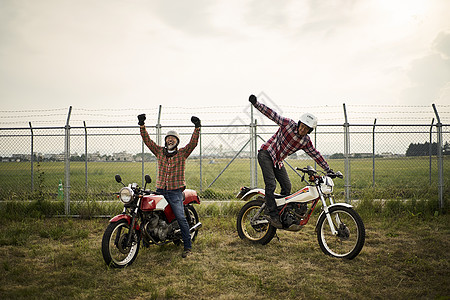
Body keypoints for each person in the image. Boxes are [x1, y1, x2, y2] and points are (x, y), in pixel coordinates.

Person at [248, 94, 333, 229]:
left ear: (309, 131)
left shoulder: (305, 141)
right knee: (271, 184)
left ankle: (281, 213)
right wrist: (256, 104)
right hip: (266, 154)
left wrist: (328, 170)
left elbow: (315, 155)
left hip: (277, 161)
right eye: (302, 126)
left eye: (306, 129)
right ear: (299, 123)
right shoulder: (287, 124)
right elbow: (272, 115)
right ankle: (272, 214)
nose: (302, 130)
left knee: (287, 186)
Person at [138, 113, 201, 258]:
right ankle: (146, 241)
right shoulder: (159, 151)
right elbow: (148, 141)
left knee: (180, 216)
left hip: (175, 192)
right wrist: (142, 125)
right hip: (160, 190)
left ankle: (187, 246)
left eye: (173, 138)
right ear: (165, 141)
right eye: (168, 138)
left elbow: (193, 143)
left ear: (177, 142)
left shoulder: (182, 153)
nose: (170, 140)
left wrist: (197, 127)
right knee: (147, 214)